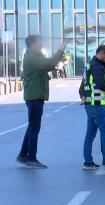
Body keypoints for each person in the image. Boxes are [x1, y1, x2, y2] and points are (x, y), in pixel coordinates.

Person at [16, 35, 66, 169]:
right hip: (34, 96)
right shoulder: (32, 57)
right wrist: (60, 50)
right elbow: (48, 64)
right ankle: (31, 158)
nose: (42, 44)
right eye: (39, 42)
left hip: (35, 95)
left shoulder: (35, 55)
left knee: (32, 126)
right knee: (34, 127)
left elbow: (48, 66)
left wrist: (58, 57)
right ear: (32, 43)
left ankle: (22, 155)